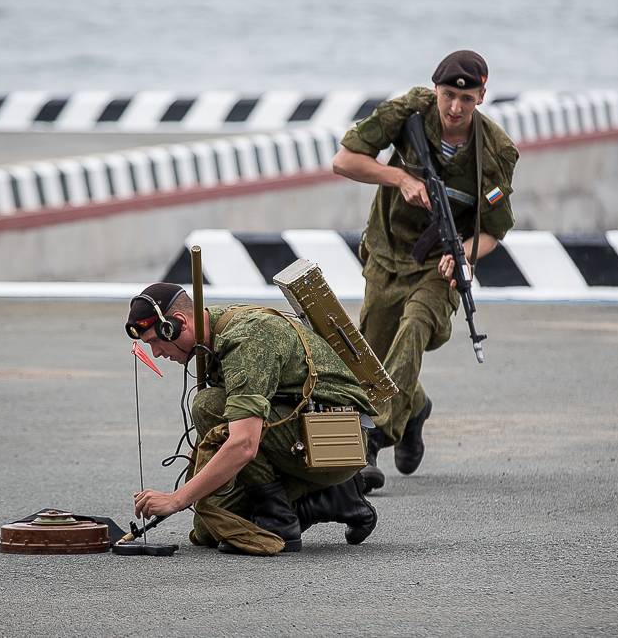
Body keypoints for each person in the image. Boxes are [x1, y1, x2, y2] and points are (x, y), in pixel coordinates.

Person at [332, 50, 519, 493]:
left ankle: (371, 439)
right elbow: (344, 161)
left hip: (440, 265)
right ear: (435, 90)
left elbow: (493, 231)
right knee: (371, 359)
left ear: (482, 97)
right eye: (448, 96)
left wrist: (466, 256)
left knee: (415, 327)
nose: (455, 108)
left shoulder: (495, 153)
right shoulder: (408, 112)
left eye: (467, 99)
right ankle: (413, 407)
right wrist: (400, 178)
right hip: (387, 253)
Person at [125, 283, 378, 554]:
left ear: (177, 324)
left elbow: (244, 443)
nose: (157, 353)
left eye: (154, 341)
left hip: (334, 442)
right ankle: (337, 498)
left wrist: (176, 499)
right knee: (208, 530)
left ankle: (280, 520)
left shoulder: (248, 339)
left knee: (207, 405)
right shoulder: (214, 330)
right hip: (299, 433)